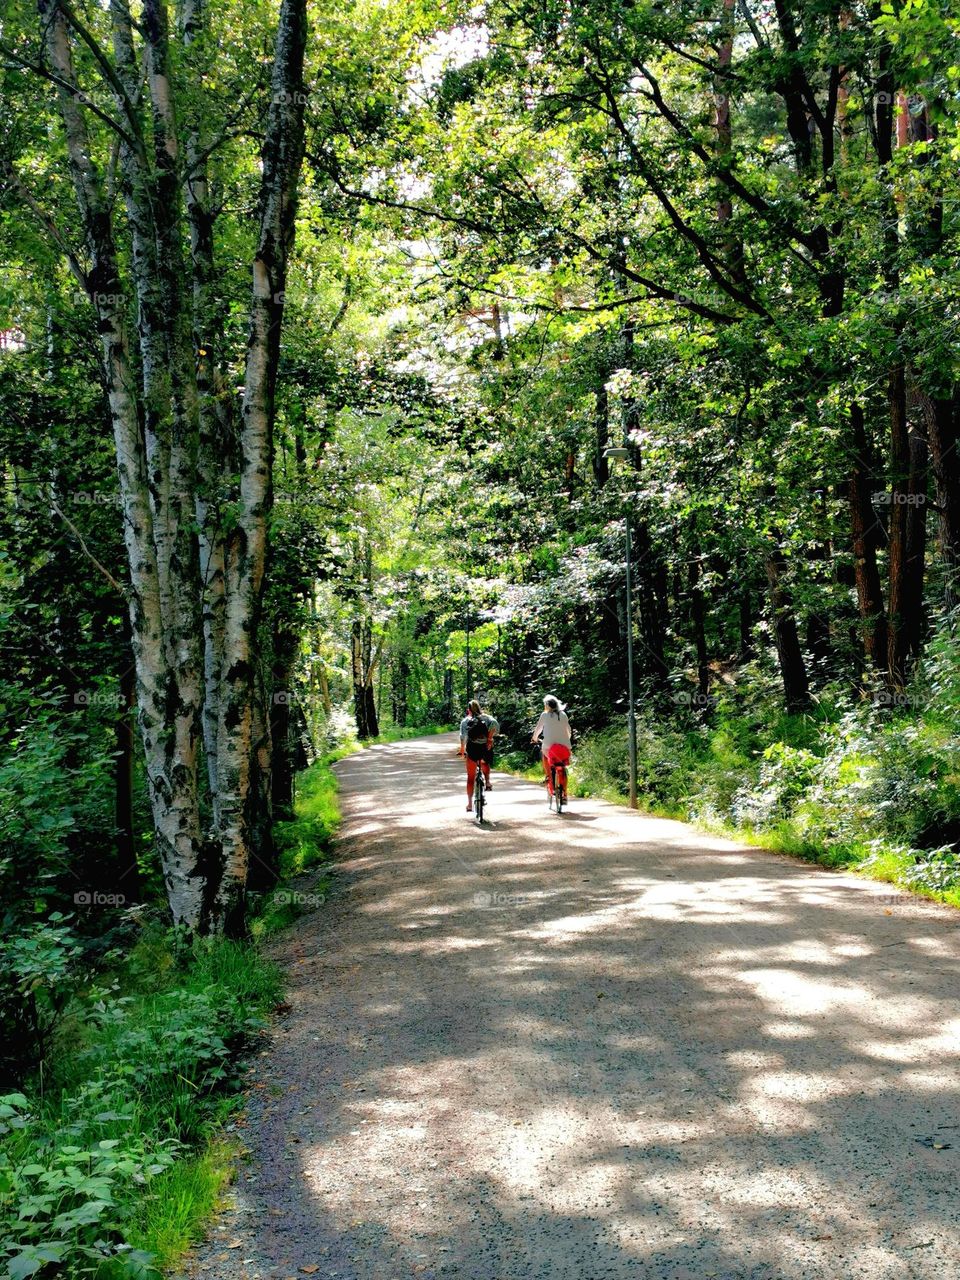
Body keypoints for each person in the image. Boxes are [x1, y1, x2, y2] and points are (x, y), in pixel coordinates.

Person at [458, 699, 499, 812]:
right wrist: (490, 738)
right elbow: (495, 724)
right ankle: (488, 782)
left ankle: (470, 804)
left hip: (472, 749)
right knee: (484, 762)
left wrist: (462, 751)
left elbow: (463, 737)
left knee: (470, 778)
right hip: (486, 748)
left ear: (469, 710)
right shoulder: (486, 718)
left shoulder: (466, 721)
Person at [531, 695, 572, 795]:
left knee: (545, 755)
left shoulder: (544, 715)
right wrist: (566, 740)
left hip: (549, 747)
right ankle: (565, 793)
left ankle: (549, 777)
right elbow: (569, 731)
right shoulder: (563, 714)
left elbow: (538, 729)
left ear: (547, 705)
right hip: (565, 746)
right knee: (563, 767)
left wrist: (534, 739)